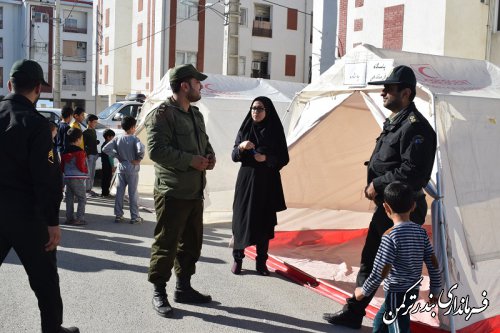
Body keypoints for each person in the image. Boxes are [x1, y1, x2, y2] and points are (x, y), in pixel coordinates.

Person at [324, 65, 437, 329]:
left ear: (406, 93)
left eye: (389, 88)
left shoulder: (417, 128)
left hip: (404, 210)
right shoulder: (396, 122)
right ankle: (356, 312)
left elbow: (413, 172)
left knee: (397, 270)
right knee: (371, 258)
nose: (382, 92)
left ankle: (391, 320)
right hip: (388, 207)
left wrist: (378, 182)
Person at [0, 59, 79, 333]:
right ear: (38, 89)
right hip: (28, 217)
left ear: (9, 84)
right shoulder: (36, 124)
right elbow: (46, 178)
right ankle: (52, 330)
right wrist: (52, 221)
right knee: (45, 281)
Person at [145, 64, 215, 318]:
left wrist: (210, 155)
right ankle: (159, 292)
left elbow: (204, 142)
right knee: (167, 243)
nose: (200, 87)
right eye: (197, 83)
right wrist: (190, 161)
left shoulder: (195, 114)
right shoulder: (162, 114)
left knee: (192, 243)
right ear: (184, 85)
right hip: (172, 192)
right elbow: (156, 151)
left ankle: (183, 287)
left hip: (195, 190)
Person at [354, 181, 441, 333]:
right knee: (381, 320)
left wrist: (363, 291)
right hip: (412, 289)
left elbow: (380, 271)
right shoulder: (421, 233)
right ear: (414, 206)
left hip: (396, 291)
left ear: (386, 208)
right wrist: (435, 288)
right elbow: (432, 262)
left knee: (397, 324)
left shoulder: (390, 236)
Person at [230, 96, 289, 276]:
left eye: (260, 108)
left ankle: (261, 262)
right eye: (253, 108)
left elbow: (284, 158)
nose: (255, 112)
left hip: (267, 182)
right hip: (246, 181)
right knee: (242, 219)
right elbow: (233, 155)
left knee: (264, 222)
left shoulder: (274, 131)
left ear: (267, 111)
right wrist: (241, 147)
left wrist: (267, 158)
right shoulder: (245, 129)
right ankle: (238, 258)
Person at [103, 116, 145, 224]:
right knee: (133, 193)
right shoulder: (135, 139)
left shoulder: (118, 138)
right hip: (132, 169)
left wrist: (116, 155)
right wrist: (138, 159)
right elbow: (141, 149)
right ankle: (135, 217)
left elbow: (105, 149)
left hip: (121, 168)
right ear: (132, 127)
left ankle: (118, 215)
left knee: (119, 193)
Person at [61, 128, 88, 226]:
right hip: (77, 176)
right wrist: (85, 171)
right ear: (78, 139)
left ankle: (69, 218)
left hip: (67, 176)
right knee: (82, 198)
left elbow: (62, 165)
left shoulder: (64, 151)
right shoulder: (80, 151)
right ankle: (80, 218)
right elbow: (81, 165)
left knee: (69, 198)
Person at [83, 114, 100, 197]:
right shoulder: (85, 133)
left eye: (96, 122)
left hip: (94, 154)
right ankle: (86, 190)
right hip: (89, 156)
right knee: (88, 173)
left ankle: (90, 189)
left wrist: (96, 142)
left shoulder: (94, 131)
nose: (95, 124)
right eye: (94, 122)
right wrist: (87, 154)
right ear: (89, 122)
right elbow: (84, 145)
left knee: (93, 173)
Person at [100, 129, 116, 197]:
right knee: (107, 178)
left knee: (105, 178)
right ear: (108, 137)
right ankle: (105, 193)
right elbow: (110, 157)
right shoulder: (108, 145)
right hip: (108, 164)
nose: (113, 138)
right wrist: (112, 166)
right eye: (112, 137)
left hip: (104, 164)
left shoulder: (103, 144)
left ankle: (104, 192)